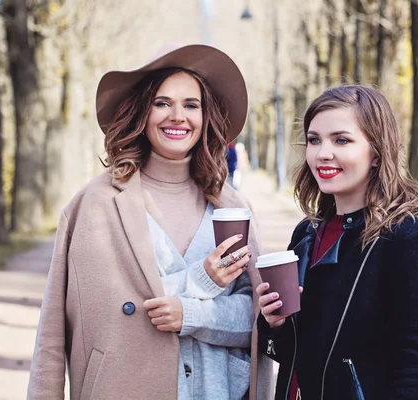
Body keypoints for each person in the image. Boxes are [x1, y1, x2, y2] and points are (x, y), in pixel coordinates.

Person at [28, 44, 274, 400]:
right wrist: (202, 280)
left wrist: (193, 313)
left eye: (191, 105)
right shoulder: (94, 206)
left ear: (206, 117)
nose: (178, 116)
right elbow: (59, 333)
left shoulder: (233, 206)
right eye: (162, 103)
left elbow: (255, 319)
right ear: (142, 112)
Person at [256, 85, 418, 399]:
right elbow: (292, 353)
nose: (322, 153)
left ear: (377, 152)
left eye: (341, 140)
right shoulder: (306, 233)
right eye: (314, 140)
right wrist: (272, 324)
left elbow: (417, 365)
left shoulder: (409, 239)